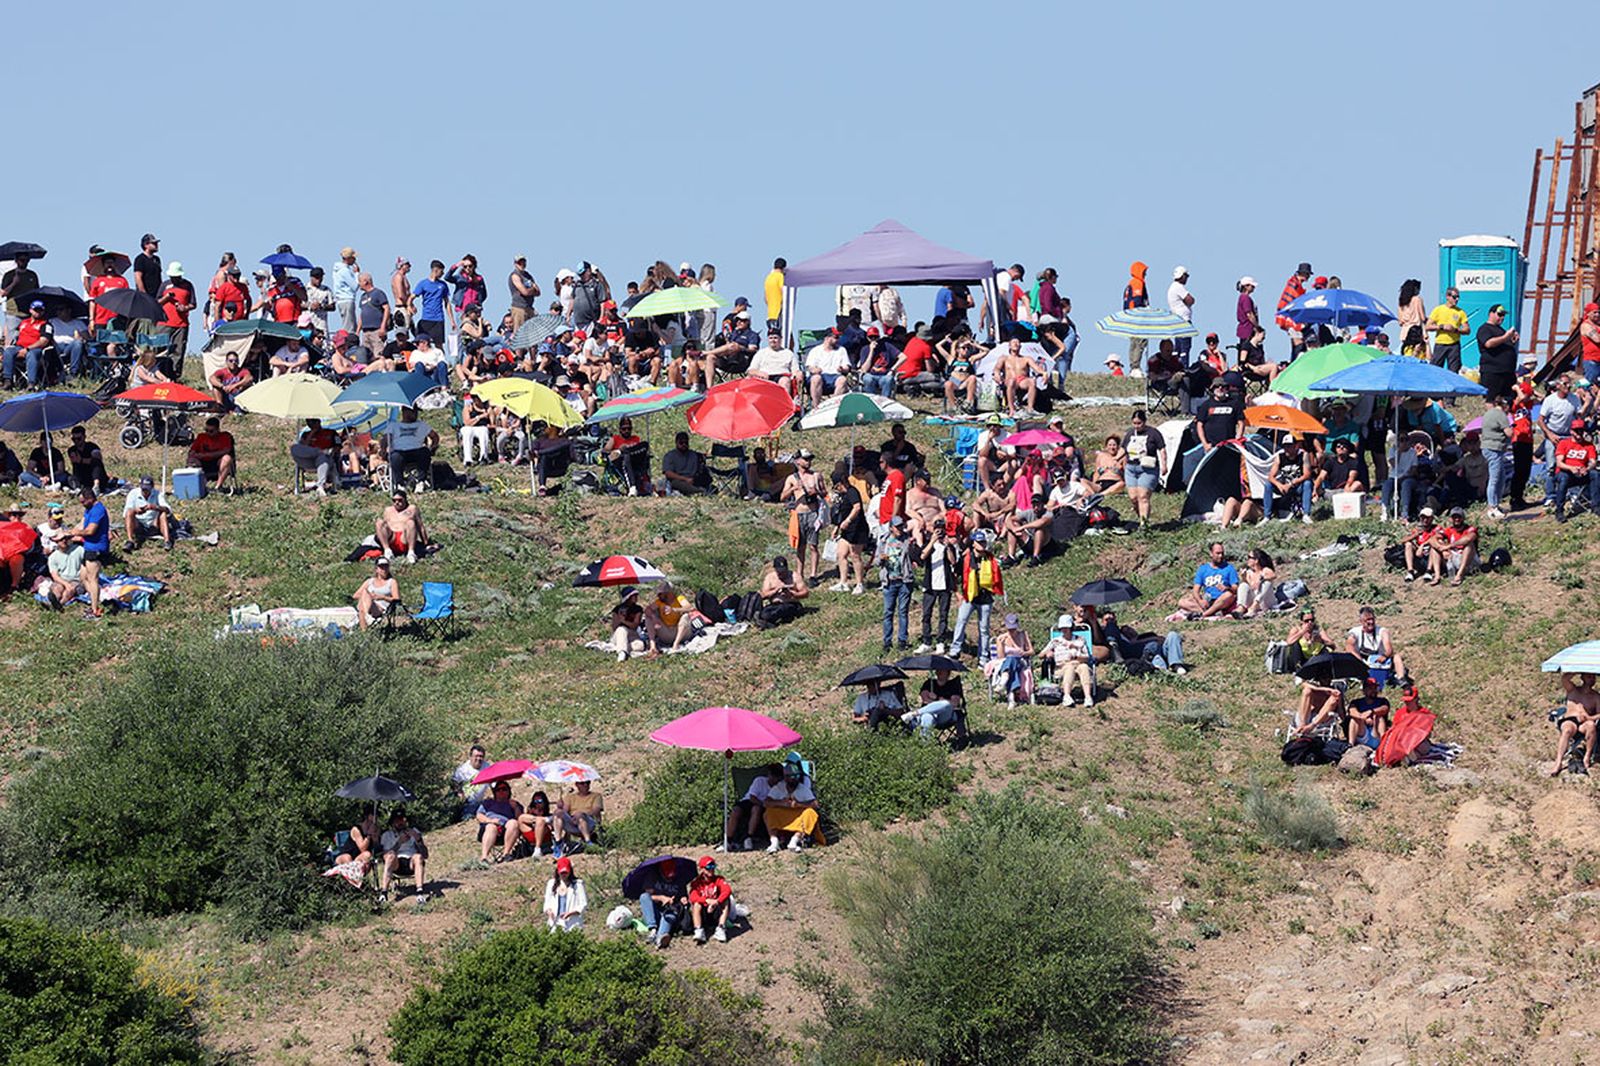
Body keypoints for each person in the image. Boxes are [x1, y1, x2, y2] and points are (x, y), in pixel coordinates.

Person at [951, 530, 1002, 661]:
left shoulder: (990, 559)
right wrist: (957, 594)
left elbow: (996, 577)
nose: (982, 545)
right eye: (979, 542)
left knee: (984, 629)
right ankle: (955, 650)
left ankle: (983, 657)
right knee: (961, 622)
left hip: (985, 599)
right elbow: (954, 575)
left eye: (983, 542)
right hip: (969, 597)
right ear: (973, 544)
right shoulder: (965, 559)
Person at [780, 450, 827, 583]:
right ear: (797, 461)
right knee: (800, 546)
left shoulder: (816, 475)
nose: (808, 462)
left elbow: (825, 493)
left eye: (809, 459)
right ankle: (799, 574)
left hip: (813, 513)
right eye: (805, 459)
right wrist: (793, 489)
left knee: (813, 545)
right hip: (799, 515)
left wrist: (816, 491)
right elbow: (782, 497)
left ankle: (813, 575)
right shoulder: (792, 478)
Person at [67, 487, 109, 620]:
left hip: (96, 548)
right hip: (88, 547)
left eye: (83, 501)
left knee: (93, 579)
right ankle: (94, 601)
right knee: (84, 577)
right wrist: (68, 533)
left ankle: (95, 610)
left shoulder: (98, 510)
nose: (82, 504)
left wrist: (76, 533)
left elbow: (90, 531)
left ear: (90, 499)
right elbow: (82, 524)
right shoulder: (88, 509)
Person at [876, 515, 916, 652]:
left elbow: (915, 557)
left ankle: (902, 641)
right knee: (888, 612)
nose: (900, 529)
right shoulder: (883, 541)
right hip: (889, 581)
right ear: (891, 527)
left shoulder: (907, 540)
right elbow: (876, 561)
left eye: (901, 526)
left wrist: (913, 546)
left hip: (904, 580)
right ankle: (887, 642)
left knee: (903, 612)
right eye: (897, 526)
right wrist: (881, 559)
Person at [763, 754, 819, 853]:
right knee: (769, 812)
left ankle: (794, 840)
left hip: (798, 813)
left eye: (796, 776)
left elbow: (815, 804)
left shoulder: (802, 787)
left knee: (810, 813)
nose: (793, 779)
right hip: (783, 813)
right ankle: (774, 842)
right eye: (790, 776)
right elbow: (766, 802)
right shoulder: (779, 787)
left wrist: (798, 805)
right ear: (785, 777)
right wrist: (781, 803)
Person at [1121, 408, 1166, 527]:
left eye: (1139, 423)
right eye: (1134, 423)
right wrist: (1117, 460)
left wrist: (1164, 465)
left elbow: (1162, 449)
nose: (1137, 426)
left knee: (1143, 496)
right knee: (1133, 498)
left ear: (1144, 422)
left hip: (1148, 469)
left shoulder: (1153, 433)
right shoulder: (1130, 433)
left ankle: (1143, 524)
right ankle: (1140, 517)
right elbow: (1124, 450)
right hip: (1131, 468)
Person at [724, 764, 783, 852]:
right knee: (736, 811)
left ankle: (748, 837)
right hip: (750, 801)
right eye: (773, 776)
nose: (774, 779)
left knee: (756, 809)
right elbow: (752, 797)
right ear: (769, 774)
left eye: (777, 777)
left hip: (765, 806)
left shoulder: (780, 786)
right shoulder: (759, 781)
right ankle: (728, 839)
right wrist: (763, 804)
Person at [1550, 419, 1600, 523]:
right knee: (1563, 478)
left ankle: (1596, 506)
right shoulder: (1564, 443)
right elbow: (1559, 463)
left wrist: (1587, 468)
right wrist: (1571, 468)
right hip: (1566, 472)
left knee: (1595, 474)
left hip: (1582, 473)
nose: (1579, 433)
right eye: (1577, 431)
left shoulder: (1589, 445)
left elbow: (1593, 461)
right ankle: (1559, 510)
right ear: (1571, 431)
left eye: (1581, 431)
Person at [828, 470, 869, 595]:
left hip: (857, 529)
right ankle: (843, 582)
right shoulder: (843, 495)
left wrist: (848, 520)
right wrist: (837, 528)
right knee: (841, 554)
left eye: (837, 486)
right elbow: (842, 512)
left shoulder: (852, 492)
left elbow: (857, 507)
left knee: (855, 555)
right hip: (846, 530)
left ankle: (859, 583)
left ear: (841, 483)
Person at [1551, 672, 1600, 776]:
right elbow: (1564, 678)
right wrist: (1577, 669)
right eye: (1588, 676)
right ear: (1582, 677)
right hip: (1570, 720)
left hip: (1585, 723)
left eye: (1593, 677)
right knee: (1568, 729)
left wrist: (1590, 717)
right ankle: (1558, 761)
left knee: (1591, 725)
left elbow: (1599, 714)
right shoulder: (1573, 690)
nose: (1591, 679)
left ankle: (1587, 756)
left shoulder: (1596, 697)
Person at [1041, 613, 1096, 706]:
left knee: (1084, 667)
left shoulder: (1080, 640)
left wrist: (1076, 656)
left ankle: (1088, 697)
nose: (1064, 630)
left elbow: (1087, 657)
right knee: (1069, 667)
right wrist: (1048, 653)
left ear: (1071, 628)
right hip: (1062, 667)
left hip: (1078, 663)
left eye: (1066, 627)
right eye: (1062, 628)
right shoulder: (1056, 641)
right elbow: (1040, 655)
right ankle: (1067, 696)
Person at [378, 810, 429, 906]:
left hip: (411, 861)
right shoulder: (387, 835)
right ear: (392, 822)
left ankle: (420, 893)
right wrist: (399, 843)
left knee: (418, 857)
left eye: (402, 820)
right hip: (396, 863)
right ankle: (384, 893)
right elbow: (385, 856)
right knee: (390, 856)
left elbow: (425, 855)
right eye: (397, 820)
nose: (400, 822)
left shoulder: (413, 832)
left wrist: (418, 840)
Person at [1177, 541, 1239, 619]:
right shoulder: (1203, 569)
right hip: (1208, 600)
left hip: (1222, 601)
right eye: (1218, 553)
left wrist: (1227, 588)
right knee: (1182, 602)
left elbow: (1235, 588)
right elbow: (1195, 590)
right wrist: (1200, 601)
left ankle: (1203, 614)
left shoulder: (1229, 568)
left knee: (1229, 595)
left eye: (1222, 553)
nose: (1220, 556)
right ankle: (1212, 612)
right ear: (1211, 553)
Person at [1346, 606, 1407, 685]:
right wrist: (1361, 661)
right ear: (1361, 621)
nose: (1371, 622)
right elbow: (1349, 647)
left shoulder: (1382, 631)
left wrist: (1384, 656)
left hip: (1380, 660)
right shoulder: (1355, 632)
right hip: (1362, 661)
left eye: (1372, 619)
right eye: (1367, 620)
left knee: (1397, 657)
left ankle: (1401, 679)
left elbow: (1389, 649)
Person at [1263, 435, 1314, 524]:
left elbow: (1307, 474)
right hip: (1284, 486)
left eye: (1289, 446)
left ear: (1295, 446)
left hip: (1298, 486)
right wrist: (1280, 485)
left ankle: (1306, 514)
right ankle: (1267, 516)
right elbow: (1271, 476)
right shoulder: (1279, 457)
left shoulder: (1303, 455)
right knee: (1268, 485)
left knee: (1307, 483)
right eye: (1285, 446)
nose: (1287, 448)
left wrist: (1292, 483)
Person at [386, 407, 439, 491]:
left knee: (425, 452)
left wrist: (432, 447)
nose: (415, 414)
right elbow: (386, 439)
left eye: (416, 412)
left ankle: (421, 481)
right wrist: (384, 448)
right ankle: (400, 484)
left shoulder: (421, 424)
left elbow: (434, 436)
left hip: (417, 450)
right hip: (400, 451)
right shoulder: (394, 425)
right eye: (413, 411)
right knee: (395, 457)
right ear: (404, 412)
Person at [640, 857, 687, 948]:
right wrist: (662, 898)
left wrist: (683, 899)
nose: (670, 874)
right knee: (644, 897)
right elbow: (648, 896)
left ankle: (660, 938)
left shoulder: (679, 879)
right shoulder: (652, 877)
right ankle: (653, 929)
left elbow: (683, 896)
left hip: (672, 911)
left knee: (669, 916)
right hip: (655, 912)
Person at [1425, 506, 1479, 586]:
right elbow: (1432, 539)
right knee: (1435, 547)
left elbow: (1468, 539)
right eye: (1454, 517)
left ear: (1463, 518)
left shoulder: (1470, 529)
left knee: (1469, 545)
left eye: (1459, 517)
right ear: (1451, 519)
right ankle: (1437, 576)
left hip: (1469, 560)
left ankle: (1459, 575)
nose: (1457, 519)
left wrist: (1449, 546)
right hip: (1454, 557)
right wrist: (1442, 549)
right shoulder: (1449, 530)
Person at [1475, 303, 1518, 402]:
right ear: (1491, 314)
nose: (1502, 318)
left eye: (1503, 315)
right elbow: (1488, 343)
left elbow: (1503, 344)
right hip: (1493, 372)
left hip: (1507, 372)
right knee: (1492, 399)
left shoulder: (1501, 330)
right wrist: (1505, 337)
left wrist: (1512, 340)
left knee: (1508, 400)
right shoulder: (1485, 329)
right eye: (1499, 314)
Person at [990, 613, 1035, 707]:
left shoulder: (1023, 634)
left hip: (1021, 661)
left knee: (1012, 659)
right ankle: (1012, 699)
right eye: (1010, 629)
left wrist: (1024, 653)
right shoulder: (1001, 638)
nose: (1012, 631)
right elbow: (1001, 657)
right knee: (1011, 662)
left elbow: (1032, 651)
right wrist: (1001, 645)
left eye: (1013, 629)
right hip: (1006, 663)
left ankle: (1004, 680)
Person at [688, 856, 735, 944]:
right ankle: (699, 930)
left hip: (715, 910)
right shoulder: (696, 883)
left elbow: (727, 890)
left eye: (713, 866)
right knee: (696, 904)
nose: (711, 870)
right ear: (702, 869)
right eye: (708, 867)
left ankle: (721, 928)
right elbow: (693, 897)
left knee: (726, 900)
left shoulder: (719, 879)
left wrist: (716, 902)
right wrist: (706, 901)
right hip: (704, 912)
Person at [475, 781, 524, 863]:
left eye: (504, 789)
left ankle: (506, 854)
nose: (501, 791)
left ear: (509, 791)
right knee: (491, 827)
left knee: (513, 823)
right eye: (498, 789)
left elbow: (520, 819)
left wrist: (516, 808)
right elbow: (479, 815)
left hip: (507, 830)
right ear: (495, 792)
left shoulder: (514, 804)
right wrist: (490, 821)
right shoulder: (488, 803)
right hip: (489, 828)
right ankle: (484, 858)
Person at [1423, 286, 1469, 371]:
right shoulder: (1438, 310)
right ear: (1448, 297)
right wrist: (1442, 327)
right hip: (1440, 344)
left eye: (1458, 297)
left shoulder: (1460, 312)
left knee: (1454, 371)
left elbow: (1467, 330)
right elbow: (1428, 326)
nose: (1457, 299)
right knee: (1435, 370)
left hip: (1454, 345)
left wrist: (1455, 330)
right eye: (1454, 297)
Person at [408, 260, 454, 345]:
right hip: (426, 318)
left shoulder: (443, 285)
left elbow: (447, 303)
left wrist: (452, 320)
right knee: (421, 343)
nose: (443, 273)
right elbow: (411, 298)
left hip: (438, 319)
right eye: (441, 271)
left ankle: (441, 358)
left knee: (439, 344)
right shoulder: (423, 284)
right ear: (436, 270)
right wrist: (410, 307)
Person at [122, 476, 173, 551]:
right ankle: (130, 540)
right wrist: (136, 511)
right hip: (138, 524)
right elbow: (125, 514)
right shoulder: (133, 493)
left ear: (152, 487)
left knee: (163, 513)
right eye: (143, 489)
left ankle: (167, 541)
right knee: (129, 512)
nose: (145, 491)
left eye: (147, 489)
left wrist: (155, 507)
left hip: (153, 524)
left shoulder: (158, 494)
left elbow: (168, 510)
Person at [291, 418, 340, 496]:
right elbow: (304, 448)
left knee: (322, 457)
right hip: (309, 460)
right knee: (294, 448)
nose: (311, 424)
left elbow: (338, 447)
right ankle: (320, 452)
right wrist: (312, 433)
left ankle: (320, 486)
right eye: (308, 422)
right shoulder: (305, 434)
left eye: (313, 422)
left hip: (325, 460)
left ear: (319, 421)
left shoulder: (331, 432)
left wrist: (331, 453)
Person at [1275, 262, 1311, 359]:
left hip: (1289, 318)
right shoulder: (1294, 286)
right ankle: (1296, 364)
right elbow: (1294, 303)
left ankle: (1293, 362)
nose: (1308, 277)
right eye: (1307, 274)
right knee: (1298, 342)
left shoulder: (1295, 284)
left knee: (1296, 343)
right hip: (1291, 319)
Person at [806, 330, 851, 406]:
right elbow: (810, 367)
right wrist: (815, 370)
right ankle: (816, 407)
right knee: (816, 378)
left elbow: (847, 366)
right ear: (827, 338)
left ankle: (833, 405)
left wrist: (843, 369)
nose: (837, 340)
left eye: (838, 337)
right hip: (821, 376)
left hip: (835, 376)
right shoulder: (816, 350)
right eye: (835, 337)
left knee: (842, 380)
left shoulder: (841, 350)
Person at [353, 557, 399, 631]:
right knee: (365, 593)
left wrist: (382, 597)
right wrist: (370, 597)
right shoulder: (370, 581)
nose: (384, 569)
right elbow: (355, 596)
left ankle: (366, 618)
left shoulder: (391, 582)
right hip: (367, 606)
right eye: (381, 567)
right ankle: (365, 629)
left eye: (386, 566)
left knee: (362, 606)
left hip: (381, 609)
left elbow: (396, 599)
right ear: (376, 569)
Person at [43, 530, 85, 611]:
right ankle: (54, 600)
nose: (64, 541)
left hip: (76, 579)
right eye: (61, 539)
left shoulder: (79, 550)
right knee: (57, 588)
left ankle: (60, 604)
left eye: (66, 538)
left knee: (70, 590)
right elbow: (54, 575)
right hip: (62, 579)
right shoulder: (53, 557)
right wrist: (65, 583)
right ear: (56, 542)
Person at [555, 779, 603, 848]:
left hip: (589, 822)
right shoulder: (570, 797)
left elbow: (595, 811)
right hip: (574, 822)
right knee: (558, 812)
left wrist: (581, 815)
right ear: (577, 784)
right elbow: (565, 811)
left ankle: (588, 841)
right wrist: (560, 807)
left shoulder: (596, 796)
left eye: (587, 782)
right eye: (582, 783)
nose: (585, 785)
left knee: (579, 815)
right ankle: (558, 841)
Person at [1195, 380, 1242, 451]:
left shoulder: (1234, 404)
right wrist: (1205, 444)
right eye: (1217, 386)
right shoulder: (1206, 405)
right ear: (1213, 389)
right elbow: (1199, 425)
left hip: (1229, 445)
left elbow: (1241, 422)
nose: (1220, 388)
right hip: (1211, 446)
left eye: (1223, 386)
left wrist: (1238, 439)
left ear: (1227, 389)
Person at [544, 856, 587, 932]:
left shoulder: (578, 884)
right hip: (555, 923)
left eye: (566, 872)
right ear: (557, 871)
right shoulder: (551, 884)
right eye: (562, 873)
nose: (564, 875)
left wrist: (570, 913)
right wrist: (549, 912)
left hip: (573, 924)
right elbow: (547, 902)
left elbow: (583, 904)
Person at [1346, 676, 1392, 747]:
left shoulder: (1382, 701)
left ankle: (1383, 745)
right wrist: (1363, 718)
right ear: (1364, 690)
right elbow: (1351, 711)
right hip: (1362, 732)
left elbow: (1385, 709)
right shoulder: (1357, 702)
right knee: (1354, 720)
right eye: (1370, 688)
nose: (1373, 690)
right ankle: (1350, 744)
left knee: (1379, 718)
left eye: (1375, 688)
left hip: (1376, 733)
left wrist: (1371, 712)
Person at [451, 744, 490, 821]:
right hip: (467, 802)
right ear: (470, 757)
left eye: (481, 756)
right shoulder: (463, 769)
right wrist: (459, 792)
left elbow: (493, 783)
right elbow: (453, 781)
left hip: (480, 801)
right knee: (467, 816)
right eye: (476, 756)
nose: (478, 759)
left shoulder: (487, 767)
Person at [610, 586, 649, 662]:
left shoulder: (638, 609)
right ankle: (622, 652)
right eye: (634, 596)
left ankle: (620, 647)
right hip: (619, 634)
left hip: (632, 634)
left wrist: (624, 621)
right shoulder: (617, 609)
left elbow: (635, 626)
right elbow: (614, 628)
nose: (636, 597)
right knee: (622, 629)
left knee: (640, 645)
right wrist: (619, 619)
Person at [1236, 548, 1278, 617]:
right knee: (1243, 585)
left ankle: (1254, 607)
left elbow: (1273, 575)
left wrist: (1261, 579)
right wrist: (1243, 578)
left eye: (1249, 557)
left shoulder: (1265, 570)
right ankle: (1241, 608)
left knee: (1267, 583)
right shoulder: (1248, 572)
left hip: (1265, 601)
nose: (1247, 560)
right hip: (1254, 600)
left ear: (1256, 560)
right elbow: (1250, 588)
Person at [515, 790, 556, 858]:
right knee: (522, 818)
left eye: (540, 801)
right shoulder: (529, 814)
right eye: (535, 802)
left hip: (545, 841)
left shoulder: (550, 816)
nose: (537, 804)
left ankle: (538, 849)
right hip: (531, 840)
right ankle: (542, 820)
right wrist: (534, 815)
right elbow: (520, 819)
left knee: (540, 821)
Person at [507, 254, 541, 332]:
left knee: (531, 333)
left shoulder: (528, 276)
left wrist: (530, 290)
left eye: (523, 262)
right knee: (519, 332)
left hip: (529, 307)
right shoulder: (515, 276)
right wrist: (532, 289)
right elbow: (524, 292)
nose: (522, 264)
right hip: (519, 308)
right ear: (515, 264)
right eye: (519, 263)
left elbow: (538, 292)